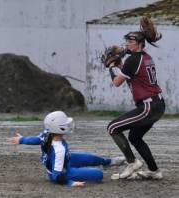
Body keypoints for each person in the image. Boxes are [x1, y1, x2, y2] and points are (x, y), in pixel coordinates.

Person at [107, 17, 165, 179]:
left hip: (148, 106)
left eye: (129, 42)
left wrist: (111, 67)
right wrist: (119, 65)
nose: (126, 44)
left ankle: (132, 162)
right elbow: (132, 76)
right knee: (134, 137)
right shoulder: (144, 56)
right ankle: (154, 171)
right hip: (156, 104)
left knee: (113, 128)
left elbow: (117, 82)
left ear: (139, 43)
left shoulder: (133, 59)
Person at [9, 111, 125, 187]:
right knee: (98, 174)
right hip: (63, 171)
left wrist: (22, 140)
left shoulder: (48, 133)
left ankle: (108, 162)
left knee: (90, 158)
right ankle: (97, 167)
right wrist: (71, 183)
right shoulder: (59, 149)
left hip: (66, 160)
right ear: (58, 128)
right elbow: (57, 176)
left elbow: (35, 139)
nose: (68, 125)